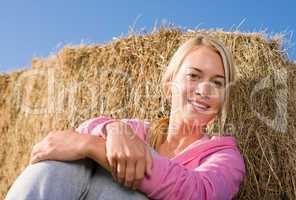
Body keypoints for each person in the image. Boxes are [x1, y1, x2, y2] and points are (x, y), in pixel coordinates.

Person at [5, 34, 246, 200]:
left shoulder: (225, 156)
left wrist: (91, 146)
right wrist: (113, 129)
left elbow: (198, 193)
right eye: (194, 76)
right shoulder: (139, 130)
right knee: (66, 165)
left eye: (217, 83)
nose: (205, 90)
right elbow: (86, 129)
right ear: (169, 85)